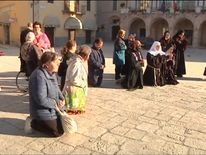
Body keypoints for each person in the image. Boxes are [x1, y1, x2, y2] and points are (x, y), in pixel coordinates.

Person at [29, 52, 65, 137]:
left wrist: (62, 99)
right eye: (55, 62)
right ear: (47, 64)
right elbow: (41, 99)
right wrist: (56, 104)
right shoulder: (38, 76)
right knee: (57, 132)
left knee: (64, 126)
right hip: (42, 110)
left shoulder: (52, 73)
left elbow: (57, 88)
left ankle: (47, 122)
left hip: (53, 108)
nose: (58, 63)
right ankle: (35, 122)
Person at [62, 45, 91, 114]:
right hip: (73, 91)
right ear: (85, 55)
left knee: (77, 112)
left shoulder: (79, 61)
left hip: (76, 91)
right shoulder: (76, 63)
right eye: (89, 55)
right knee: (72, 112)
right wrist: (83, 84)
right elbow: (74, 79)